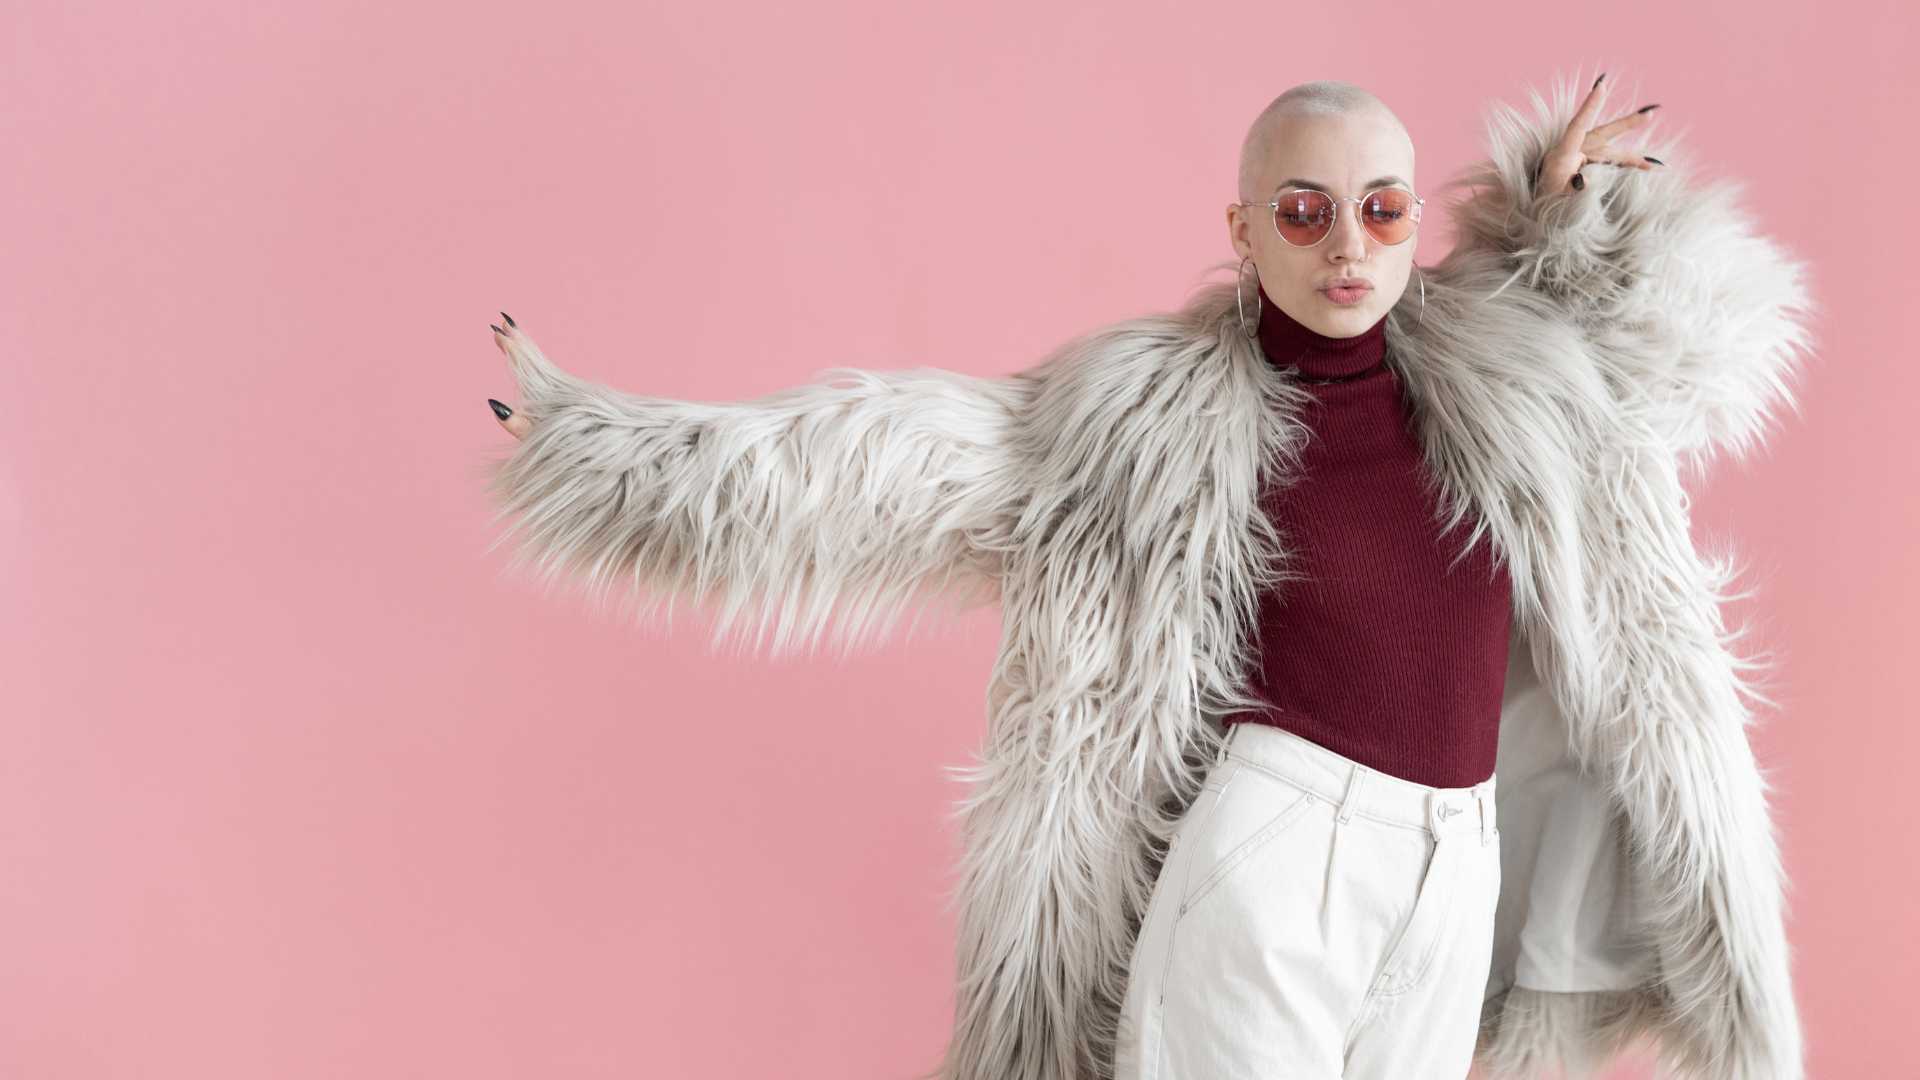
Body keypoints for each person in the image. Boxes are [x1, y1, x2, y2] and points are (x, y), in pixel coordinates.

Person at [482, 69, 1811, 1079]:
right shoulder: (1141, 415)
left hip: (1457, 868)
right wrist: (615, 455)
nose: (1345, 244)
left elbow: (1689, 363)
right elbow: (874, 459)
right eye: (1304, 211)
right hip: (1276, 849)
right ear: (1244, 227)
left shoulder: (1513, 382)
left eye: (1380, 209)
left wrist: (1572, 222)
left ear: (1413, 225)